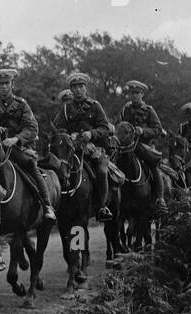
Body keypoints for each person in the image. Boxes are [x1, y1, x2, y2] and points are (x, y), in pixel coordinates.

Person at [0, 68, 57, 221]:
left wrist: (16, 139)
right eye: (1, 84)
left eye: (7, 83)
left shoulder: (21, 104)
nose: (4, 87)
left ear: (12, 84)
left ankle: (47, 205)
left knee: (30, 164)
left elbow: (32, 128)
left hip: (18, 147)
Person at [53, 72, 114, 221]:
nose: (78, 90)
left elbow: (105, 128)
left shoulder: (95, 106)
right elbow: (59, 128)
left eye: (81, 86)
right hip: (72, 148)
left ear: (86, 88)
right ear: (71, 90)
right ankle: (55, 205)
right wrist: (69, 135)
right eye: (75, 87)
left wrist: (91, 134)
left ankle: (102, 206)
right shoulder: (66, 108)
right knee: (57, 166)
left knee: (101, 170)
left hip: (94, 148)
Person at [118, 80, 169, 215]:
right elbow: (119, 126)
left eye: (137, 93)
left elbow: (158, 129)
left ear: (142, 95)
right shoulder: (125, 109)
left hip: (144, 146)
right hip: (126, 146)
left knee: (153, 166)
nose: (134, 96)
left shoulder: (149, 110)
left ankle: (160, 199)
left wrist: (143, 131)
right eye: (132, 93)